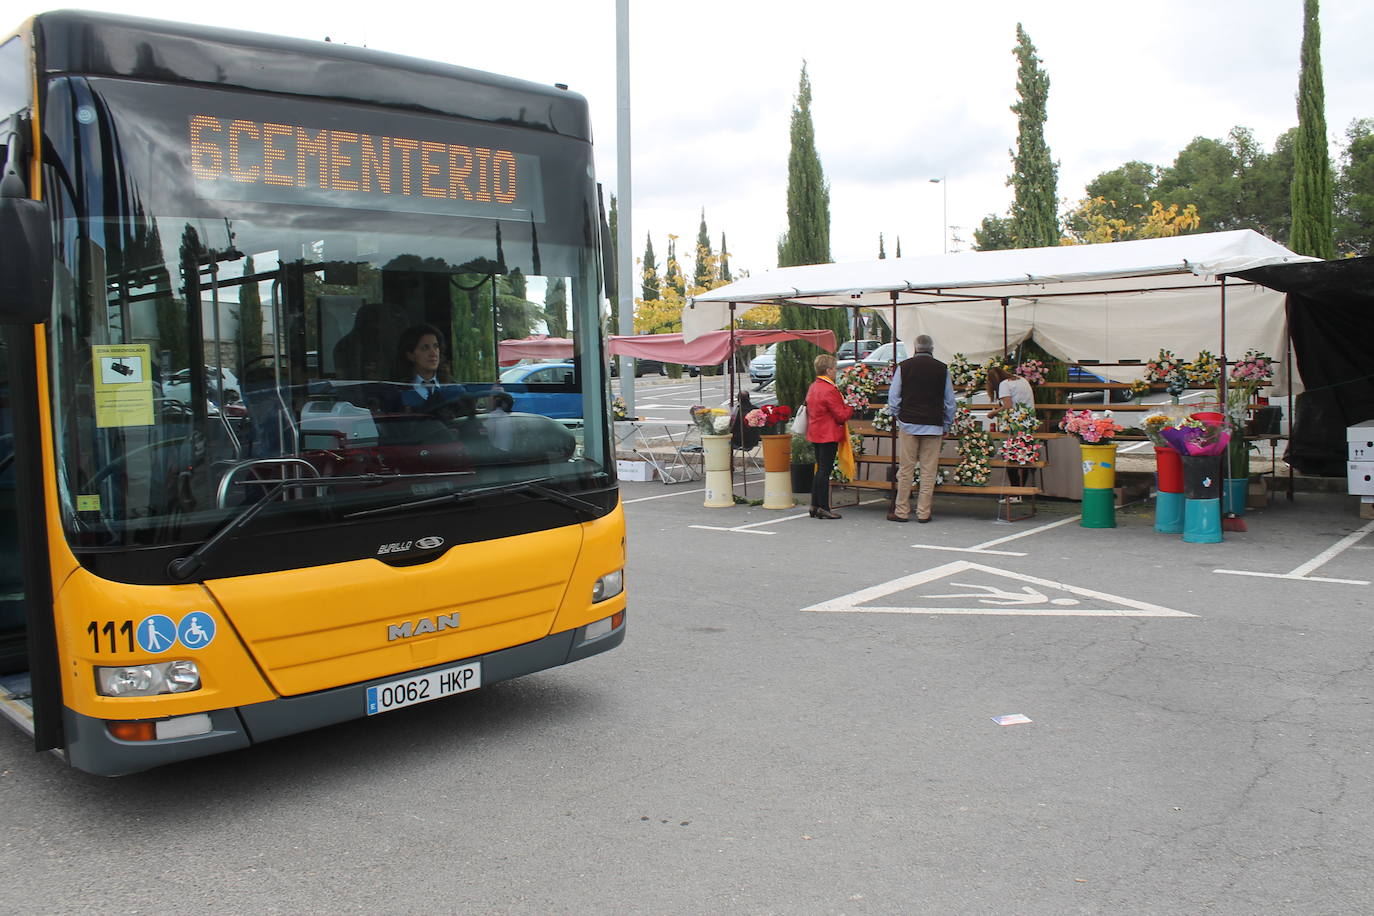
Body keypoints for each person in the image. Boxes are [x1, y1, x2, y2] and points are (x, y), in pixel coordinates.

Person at [886, 334, 956, 523]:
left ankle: (901, 511)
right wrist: (947, 423)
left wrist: (898, 415)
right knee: (928, 471)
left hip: (909, 423)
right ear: (932, 349)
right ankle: (923, 512)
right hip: (933, 425)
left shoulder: (904, 367)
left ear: (915, 348)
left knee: (906, 469)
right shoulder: (942, 369)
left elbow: (894, 396)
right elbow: (950, 401)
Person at [804, 352, 853, 519]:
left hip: (815, 432)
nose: (836, 372)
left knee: (820, 470)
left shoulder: (814, 386)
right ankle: (823, 507)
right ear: (828, 370)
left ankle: (815, 505)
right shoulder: (830, 389)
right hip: (828, 434)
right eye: (834, 369)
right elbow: (841, 415)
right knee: (824, 471)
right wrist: (851, 406)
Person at [985, 365, 1037, 497]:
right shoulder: (1021, 380)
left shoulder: (1004, 384)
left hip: (1014, 425)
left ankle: (1015, 492)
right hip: (1028, 422)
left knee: (1011, 458)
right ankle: (1021, 491)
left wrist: (993, 413)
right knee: (1024, 457)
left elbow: (1007, 406)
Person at [394, 323, 466, 412]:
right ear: (410, 355)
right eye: (425, 348)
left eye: (436, 347)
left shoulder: (455, 389)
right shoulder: (399, 394)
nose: (433, 353)